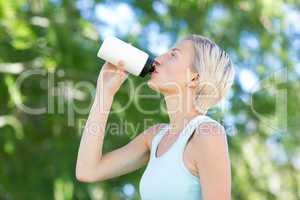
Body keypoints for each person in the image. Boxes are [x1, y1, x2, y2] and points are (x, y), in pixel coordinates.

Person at [76, 34, 235, 200]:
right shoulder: (155, 137)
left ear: (194, 78)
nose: (158, 59)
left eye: (173, 55)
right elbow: (88, 171)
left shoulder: (207, 133)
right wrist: (104, 94)